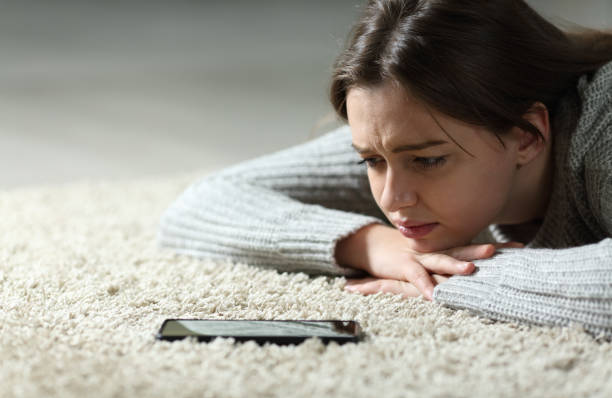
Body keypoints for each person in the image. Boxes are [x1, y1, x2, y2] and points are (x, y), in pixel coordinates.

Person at [158, 0, 612, 340]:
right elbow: (199, 205)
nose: (393, 200)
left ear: (528, 135)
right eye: (371, 161)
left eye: (428, 160)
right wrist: (377, 246)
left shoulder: (602, 127)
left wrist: (458, 277)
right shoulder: (406, 122)